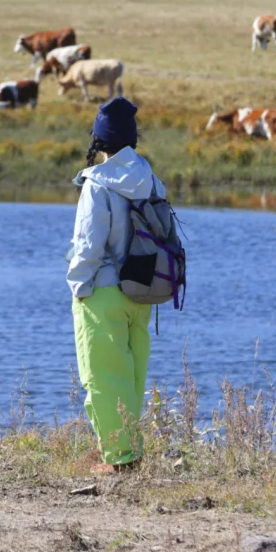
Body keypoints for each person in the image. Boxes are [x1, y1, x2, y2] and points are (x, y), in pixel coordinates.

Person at [66, 95, 166, 474]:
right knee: (132, 375)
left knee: (103, 378)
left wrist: (77, 285)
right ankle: (129, 452)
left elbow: (89, 243)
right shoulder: (151, 178)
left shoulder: (97, 183)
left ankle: (120, 461)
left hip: (103, 290)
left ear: (99, 139)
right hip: (142, 291)